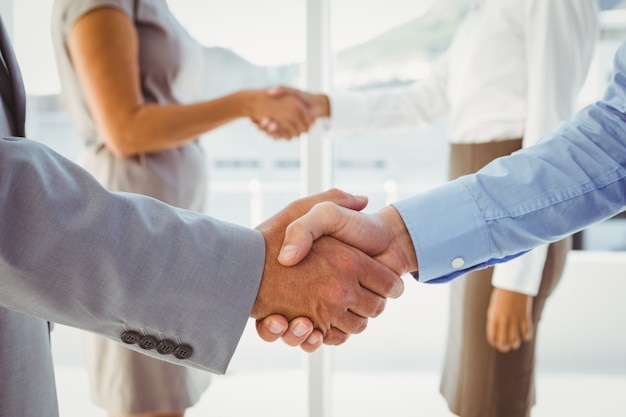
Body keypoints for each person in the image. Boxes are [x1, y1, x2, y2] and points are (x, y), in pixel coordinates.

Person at [0, 14, 404, 417]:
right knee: (150, 402)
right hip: (132, 230)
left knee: (164, 399)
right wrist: (255, 268)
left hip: (164, 231)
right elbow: (124, 129)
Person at [258, 1, 598, 415]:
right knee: (472, 388)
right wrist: (322, 106)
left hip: (516, 209)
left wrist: (516, 280)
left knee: (494, 394)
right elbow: (424, 101)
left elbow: (551, 125)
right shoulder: (479, 16)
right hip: (474, 198)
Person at [49, 0, 314, 416]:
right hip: (136, 213)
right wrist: (246, 103)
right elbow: (124, 129)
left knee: (166, 387)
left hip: (168, 206)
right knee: (147, 396)